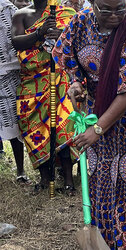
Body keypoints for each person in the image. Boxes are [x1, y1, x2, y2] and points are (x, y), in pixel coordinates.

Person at [52, 0, 126, 247]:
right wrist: (76, 85)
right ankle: (103, 239)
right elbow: (70, 61)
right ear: (92, 4)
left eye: (120, 8)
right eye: (106, 9)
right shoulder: (79, 23)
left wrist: (97, 129)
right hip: (96, 106)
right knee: (98, 170)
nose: (115, 15)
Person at [11, 0, 78, 194]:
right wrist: (40, 34)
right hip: (32, 82)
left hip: (59, 78)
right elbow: (16, 41)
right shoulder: (21, 15)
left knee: (64, 125)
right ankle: (44, 178)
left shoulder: (66, 12)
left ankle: (67, 180)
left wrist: (61, 36)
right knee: (33, 128)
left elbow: (74, 42)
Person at [0, 0, 30, 184]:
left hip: (9, 70)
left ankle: (20, 170)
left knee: (12, 119)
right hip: (8, 69)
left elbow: (19, 37)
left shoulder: (8, 8)